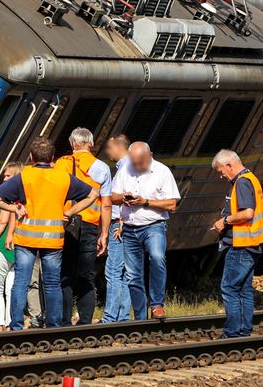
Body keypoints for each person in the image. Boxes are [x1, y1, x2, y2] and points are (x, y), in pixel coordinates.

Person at [0, 136, 98, 330]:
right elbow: (93, 194)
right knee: (52, 283)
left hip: (26, 238)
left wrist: (15, 209)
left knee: (20, 283)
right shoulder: (62, 177)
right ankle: (54, 325)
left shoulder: (24, 176)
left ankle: (16, 325)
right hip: (52, 239)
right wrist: (71, 211)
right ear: (53, 157)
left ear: (31, 157)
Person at [110, 141, 179, 321]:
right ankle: (140, 318)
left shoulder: (163, 172)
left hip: (154, 226)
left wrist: (146, 202)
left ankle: (157, 305)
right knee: (133, 275)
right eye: (134, 163)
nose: (137, 166)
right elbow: (113, 197)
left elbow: (172, 204)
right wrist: (123, 198)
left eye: (141, 162)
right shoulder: (125, 170)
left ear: (150, 156)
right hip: (130, 228)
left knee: (157, 257)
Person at [53, 127, 111, 325]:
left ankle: (64, 320)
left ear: (72, 144)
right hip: (90, 226)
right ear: (91, 144)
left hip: (66, 224)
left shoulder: (61, 164)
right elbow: (106, 204)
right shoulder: (101, 166)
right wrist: (105, 234)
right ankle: (85, 320)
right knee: (86, 274)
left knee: (65, 273)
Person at [210, 149, 263, 338]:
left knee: (229, 287)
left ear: (229, 165)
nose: (221, 176)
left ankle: (232, 333)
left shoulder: (242, 183)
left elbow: (247, 213)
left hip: (242, 245)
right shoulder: (251, 178)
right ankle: (244, 332)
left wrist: (224, 221)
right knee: (244, 289)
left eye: (221, 171)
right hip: (252, 243)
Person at [0, 162, 23, 332]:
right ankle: (10, 324)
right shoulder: (25, 195)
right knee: (11, 289)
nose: (4, 178)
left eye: (8, 176)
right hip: (19, 248)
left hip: (2, 246)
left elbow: (2, 221)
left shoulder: (9, 196)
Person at [100, 135, 131, 323]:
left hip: (119, 225)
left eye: (109, 148)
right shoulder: (127, 167)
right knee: (125, 273)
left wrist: (119, 223)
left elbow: (125, 199)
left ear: (119, 147)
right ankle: (122, 317)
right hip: (125, 224)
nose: (107, 151)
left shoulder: (125, 169)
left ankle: (110, 318)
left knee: (113, 270)